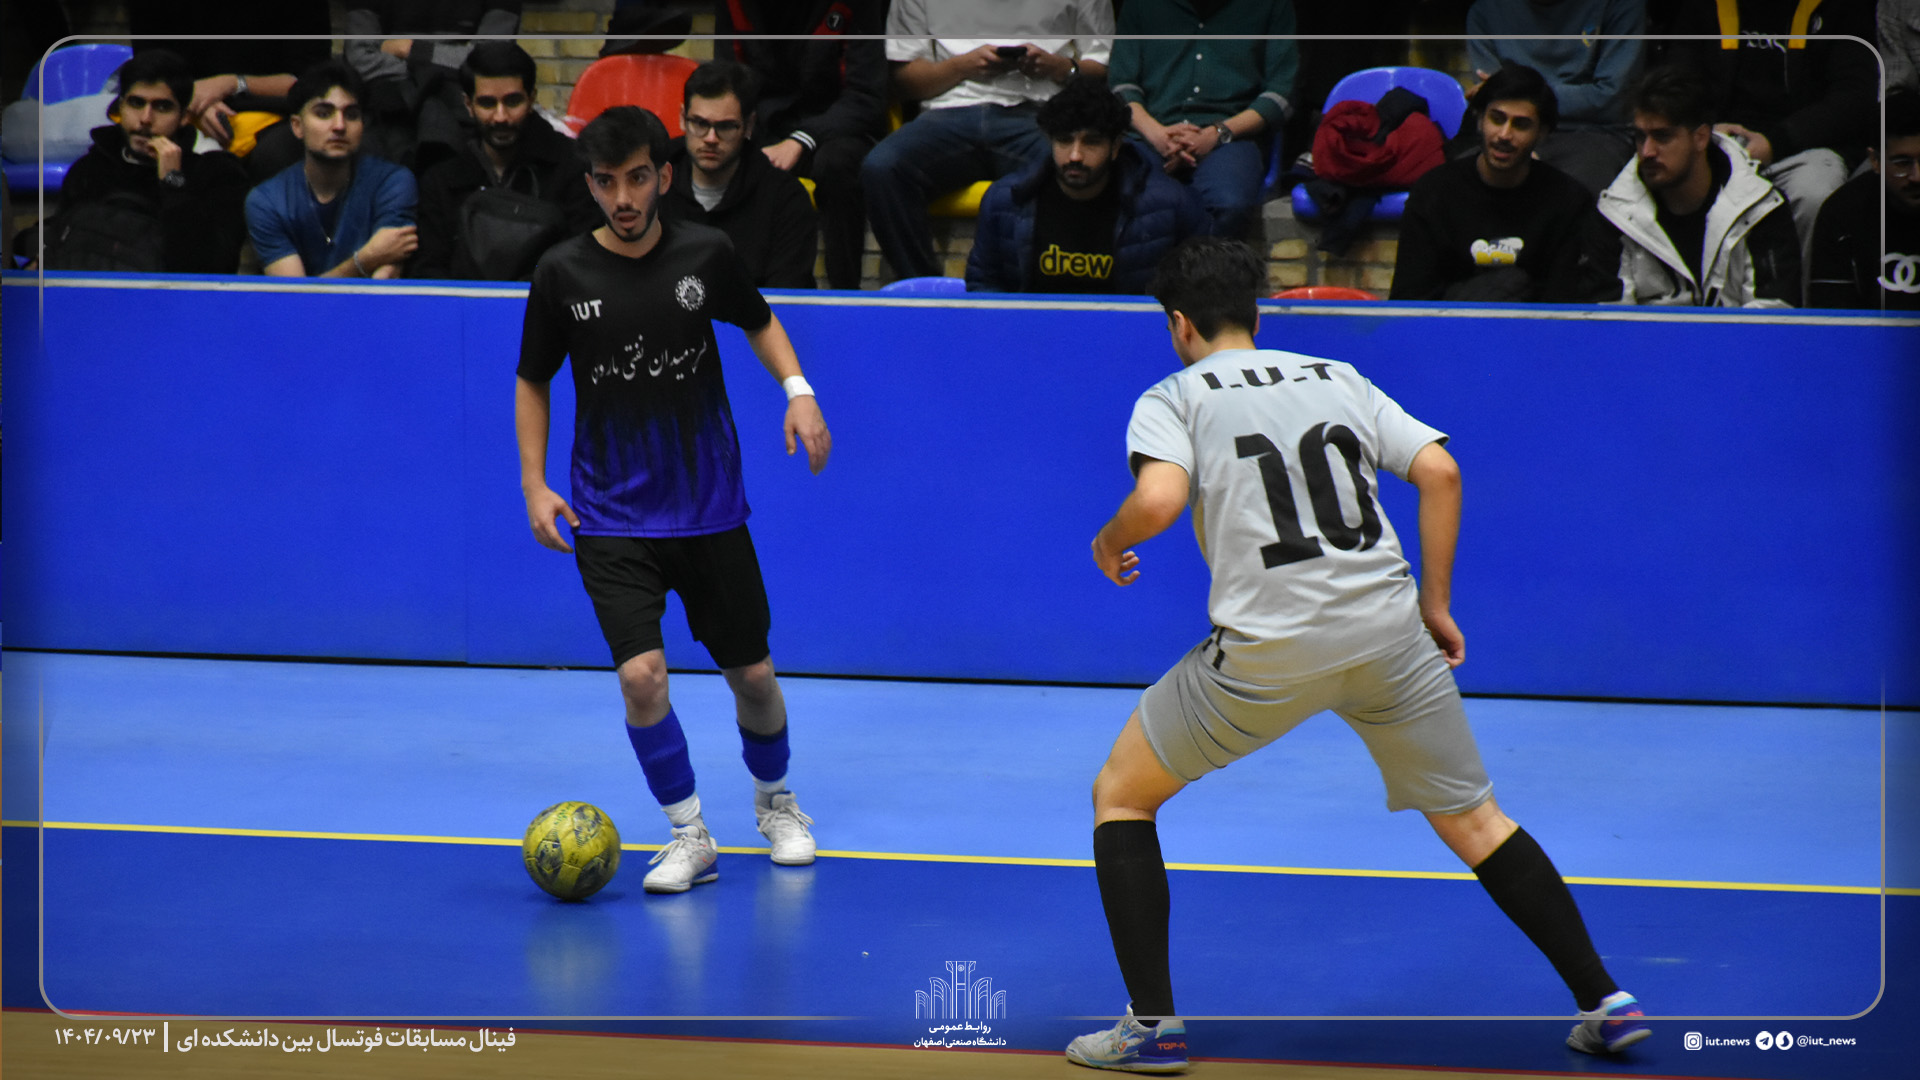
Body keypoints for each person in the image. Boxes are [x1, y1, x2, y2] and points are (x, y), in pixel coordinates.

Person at [1065, 236, 1651, 1074]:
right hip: (1389, 635)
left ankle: (1151, 1029)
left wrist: (1107, 539)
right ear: (1256, 314)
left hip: (1268, 654)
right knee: (1477, 820)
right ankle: (1606, 1002)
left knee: (1122, 795)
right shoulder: (1338, 375)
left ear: (1179, 324)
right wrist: (1436, 605)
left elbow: (1158, 500)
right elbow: (1440, 472)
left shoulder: (1174, 395)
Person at [513, 106, 832, 894]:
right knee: (642, 677)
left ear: (663, 175)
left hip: (709, 508)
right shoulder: (560, 272)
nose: (622, 198)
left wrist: (798, 391)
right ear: (590, 184)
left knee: (752, 675)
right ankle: (689, 834)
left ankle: (776, 803)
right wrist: (534, 483)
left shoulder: (706, 253)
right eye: (605, 182)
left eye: (636, 178)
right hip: (611, 514)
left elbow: (760, 321)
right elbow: (533, 379)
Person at [864, 0, 1114, 280]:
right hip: (949, 111)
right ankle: (924, 289)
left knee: (1079, 166)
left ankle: (1047, 292)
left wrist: (1059, 68)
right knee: (883, 167)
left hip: (1042, 111)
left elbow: (1104, 68)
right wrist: (962, 66)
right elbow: (904, 81)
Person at [1656, 0, 1878, 243]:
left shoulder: (1839, 7)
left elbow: (1854, 97)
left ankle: (1798, 271)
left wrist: (1776, 142)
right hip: (1719, 138)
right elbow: (1677, 81)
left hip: (1806, 147)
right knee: (1667, 172)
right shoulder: (1704, 5)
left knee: (1814, 194)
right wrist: (1706, 127)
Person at [1579, 64, 1801, 306]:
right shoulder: (1614, 214)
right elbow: (1608, 319)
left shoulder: (1762, 208)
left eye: (1662, 136)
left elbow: (1775, 317)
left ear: (1700, 138)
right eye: (1640, 137)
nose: (1647, 151)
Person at [967, 73, 1210, 293]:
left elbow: (1198, 293)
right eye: (1064, 141)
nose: (1075, 155)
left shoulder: (1171, 205)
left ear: (1115, 147)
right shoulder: (1005, 200)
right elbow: (983, 285)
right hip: (1033, 327)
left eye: (1091, 142)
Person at [714, 0, 888, 290]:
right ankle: (738, 292)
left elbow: (867, 98)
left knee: (837, 165)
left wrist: (802, 138)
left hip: (835, 129)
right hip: (762, 128)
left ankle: (845, 293)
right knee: (719, 154)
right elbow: (726, 84)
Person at [1390, 64, 1597, 302]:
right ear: (1480, 119)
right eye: (1497, 119)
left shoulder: (1569, 201)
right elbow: (1409, 301)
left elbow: (1564, 306)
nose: (1504, 135)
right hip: (1451, 323)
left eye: (1521, 125)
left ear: (1542, 133)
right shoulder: (1432, 192)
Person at [39, 48, 250, 274]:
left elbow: (213, 268)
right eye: (136, 103)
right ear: (121, 106)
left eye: (162, 107)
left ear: (184, 117)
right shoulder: (90, 168)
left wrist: (173, 182)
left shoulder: (217, 173)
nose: (146, 119)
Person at [1107, 0, 1299, 239]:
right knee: (1133, 200)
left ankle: (1205, 265)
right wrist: (1157, 135)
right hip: (1149, 133)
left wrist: (1217, 133)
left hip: (1231, 137)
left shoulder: (1271, 5)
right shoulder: (1140, 5)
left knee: (1230, 205)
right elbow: (1121, 86)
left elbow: (1281, 95)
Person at [412, 41, 599, 281]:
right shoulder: (441, 180)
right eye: (487, 103)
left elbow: (582, 260)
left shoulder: (574, 166)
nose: (501, 117)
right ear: (468, 104)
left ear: (531, 99)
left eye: (512, 102)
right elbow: (430, 272)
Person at [245, 61, 419, 279]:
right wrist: (364, 259)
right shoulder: (266, 202)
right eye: (323, 113)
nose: (339, 126)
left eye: (351, 115)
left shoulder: (393, 183)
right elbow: (293, 295)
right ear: (297, 126)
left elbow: (383, 282)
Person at [661, 62, 820, 289]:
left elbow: (786, 298)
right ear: (682, 118)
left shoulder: (786, 200)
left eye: (726, 126)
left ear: (748, 126)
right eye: (700, 123)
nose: (711, 138)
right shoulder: (652, 186)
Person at [1464, 0, 1646, 195]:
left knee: (1569, 194)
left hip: (1594, 133)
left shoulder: (1619, 6)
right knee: (1461, 183)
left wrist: (1523, 97)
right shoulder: (1485, 10)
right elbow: (1491, 96)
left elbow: (1613, 99)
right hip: (1510, 127)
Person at [342, 0, 523, 171]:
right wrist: (438, 66)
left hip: (462, 108)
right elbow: (360, 59)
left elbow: (490, 61)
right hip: (389, 105)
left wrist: (414, 50)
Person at [1806, 88, 1920, 309]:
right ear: (1875, 160)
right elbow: (1833, 317)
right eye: (1902, 163)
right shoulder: (1842, 213)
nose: (1917, 176)